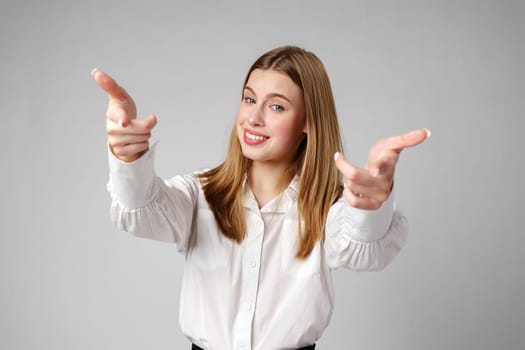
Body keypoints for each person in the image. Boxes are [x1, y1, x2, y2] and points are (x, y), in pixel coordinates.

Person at [92, 45, 429, 350]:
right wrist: (128, 158)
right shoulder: (199, 194)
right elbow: (140, 209)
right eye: (249, 99)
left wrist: (371, 205)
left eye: (277, 106)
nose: (253, 118)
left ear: (309, 120)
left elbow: (365, 248)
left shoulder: (328, 209)